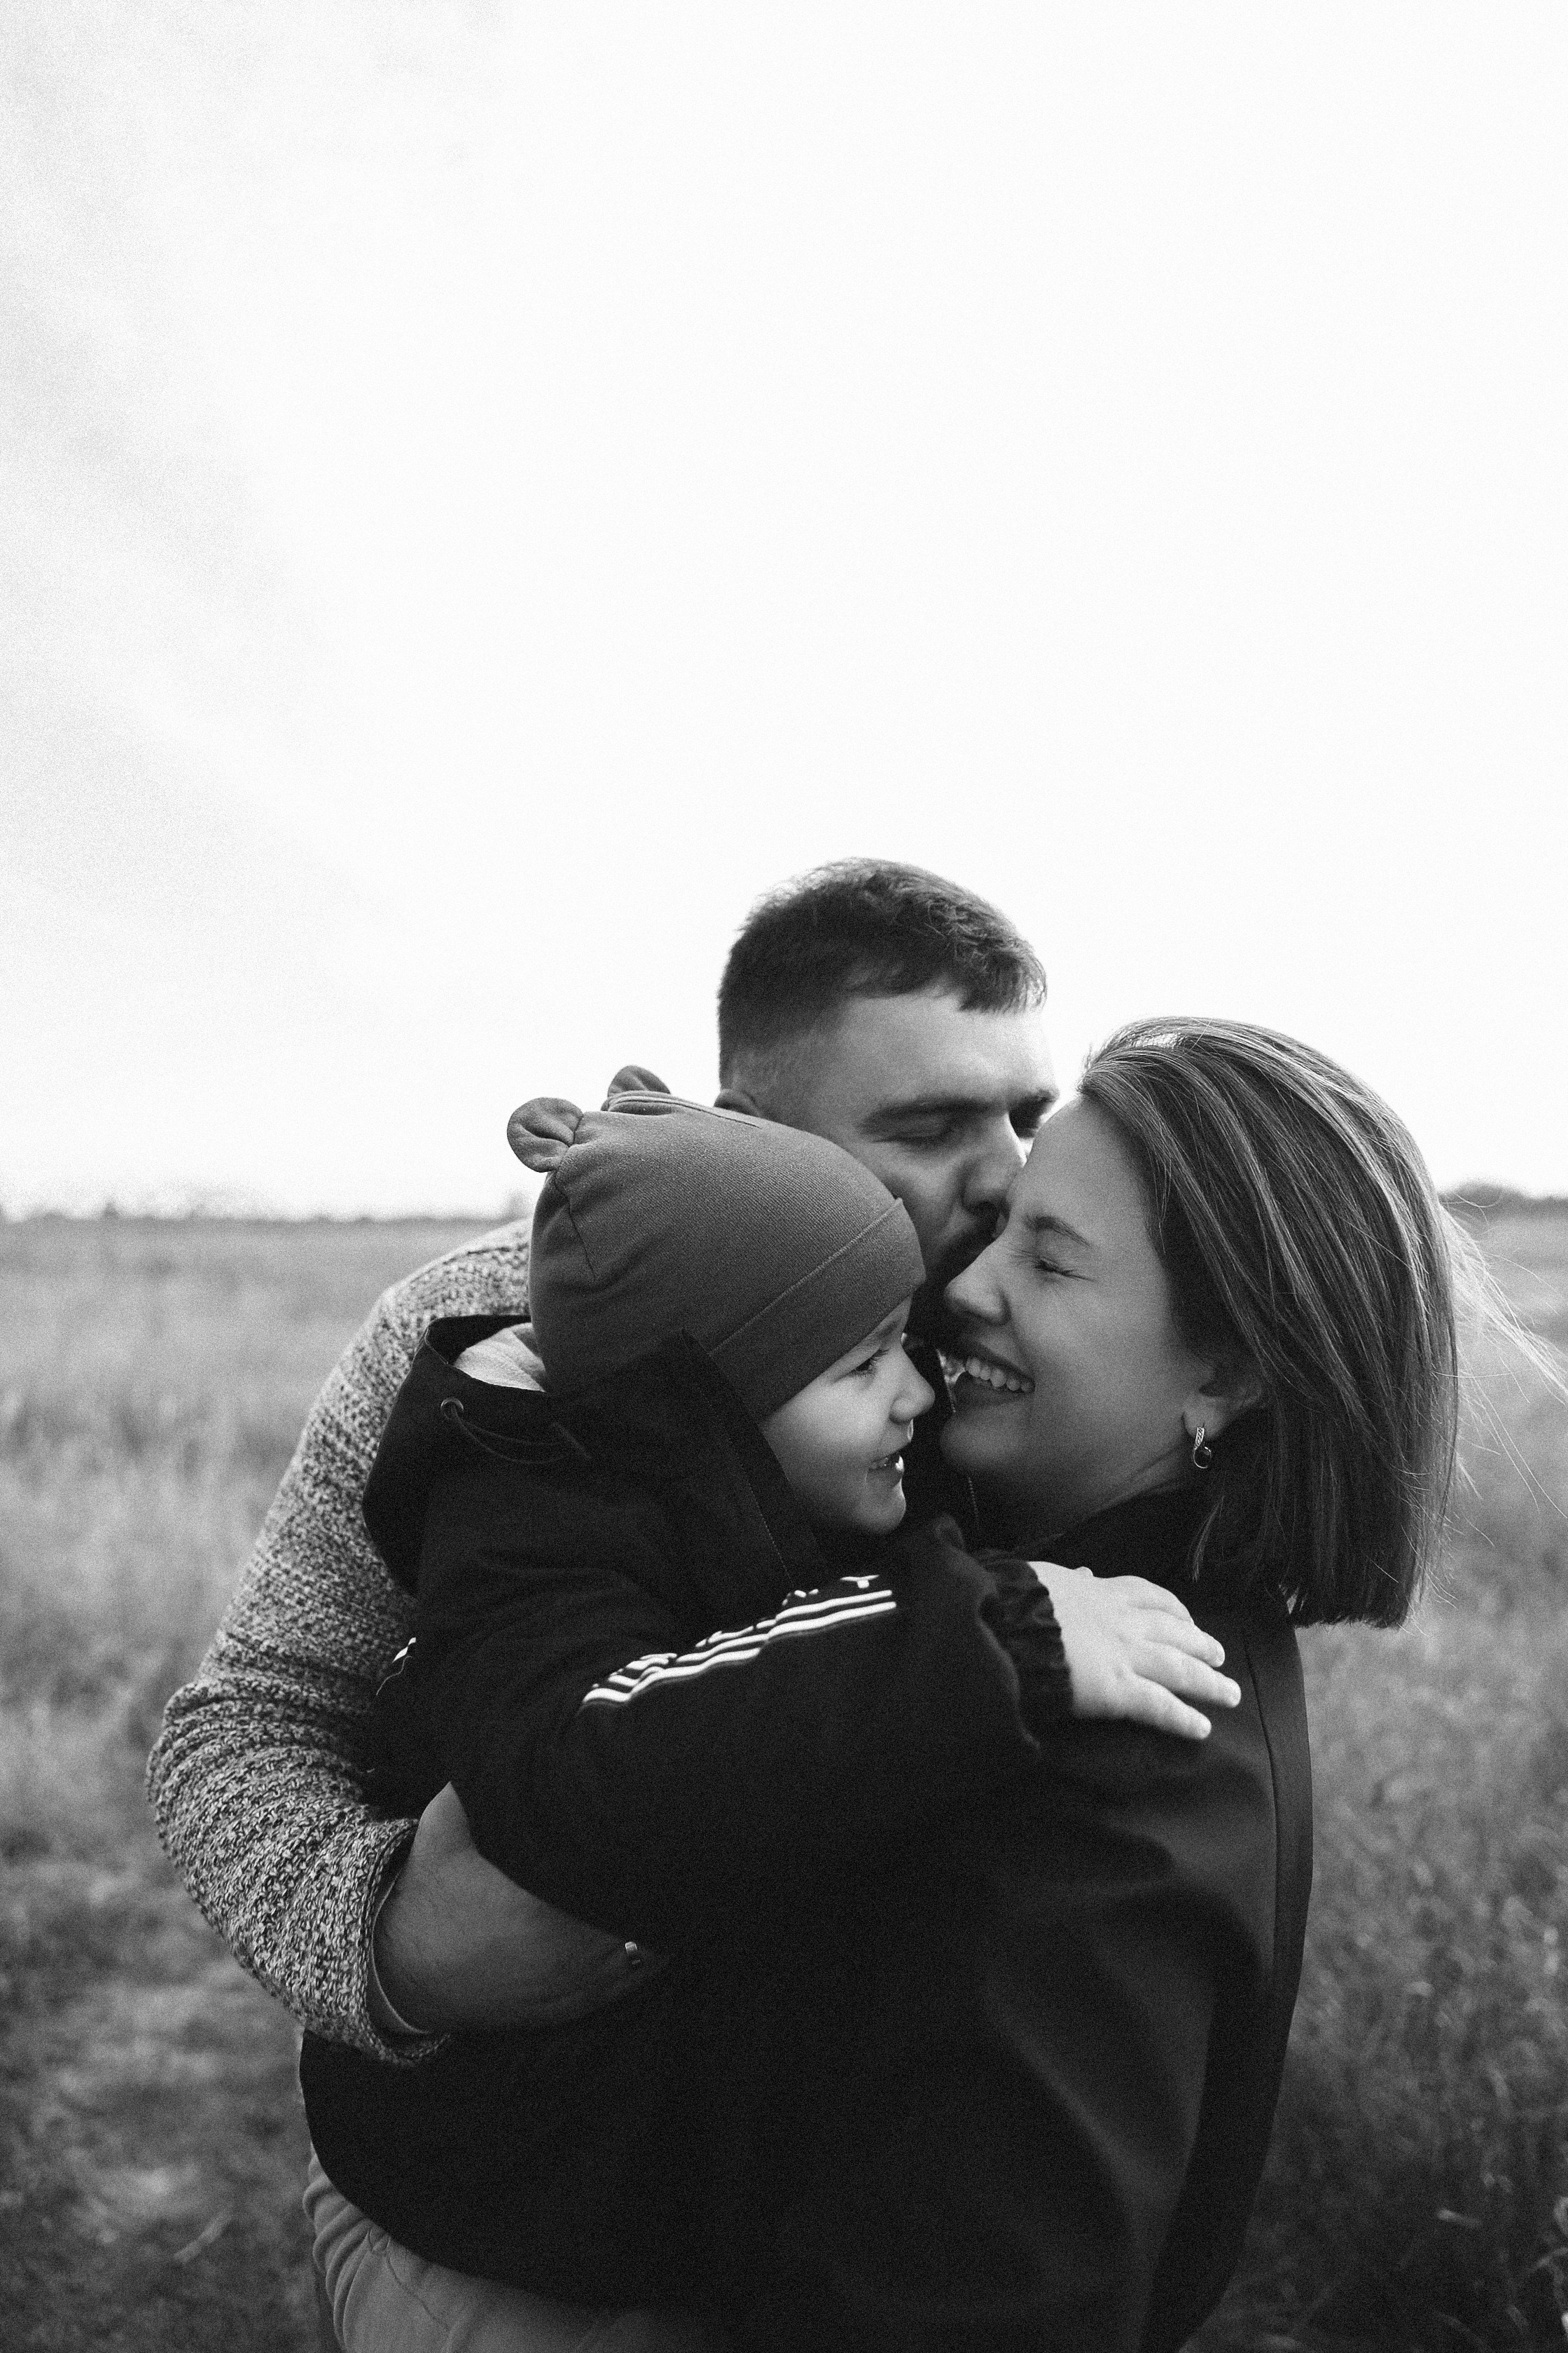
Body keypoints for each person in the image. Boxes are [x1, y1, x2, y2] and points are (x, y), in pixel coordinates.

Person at [298, 1086, 1237, 2331]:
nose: (918, 1392)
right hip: (501, 2222)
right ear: (701, 1417)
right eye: (862, 1365)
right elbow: (593, 1755)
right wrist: (997, 1633)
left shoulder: (717, 1482)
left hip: (641, 2209)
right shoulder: (533, 1547)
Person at [146, 860, 1059, 2057]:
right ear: (748, 1135)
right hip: (496, 2171)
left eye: (1027, 1120)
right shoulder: (484, 1333)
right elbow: (254, 1718)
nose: (1005, 1179)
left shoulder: (1045, 1340)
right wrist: (398, 1949)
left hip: (858, 2169)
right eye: (933, 1128)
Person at [741, 1017, 1462, 2349]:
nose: (966, 1284)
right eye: (1004, 1225)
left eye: (1052, 1259)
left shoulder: (1109, 1758)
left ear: (1232, 1367)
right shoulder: (1079, 1607)